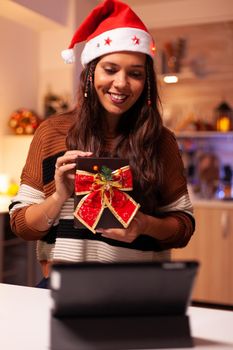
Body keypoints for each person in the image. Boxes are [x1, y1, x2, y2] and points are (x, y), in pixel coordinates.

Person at [9, 0, 195, 288]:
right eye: (110, 69)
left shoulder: (161, 141)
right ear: (91, 73)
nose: (121, 83)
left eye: (135, 73)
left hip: (138, 290)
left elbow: (183, 226)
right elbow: (21, 225)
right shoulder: (51, 132)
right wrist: (59, 196)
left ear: (146, 83)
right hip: (65, 287)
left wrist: (145, 225)